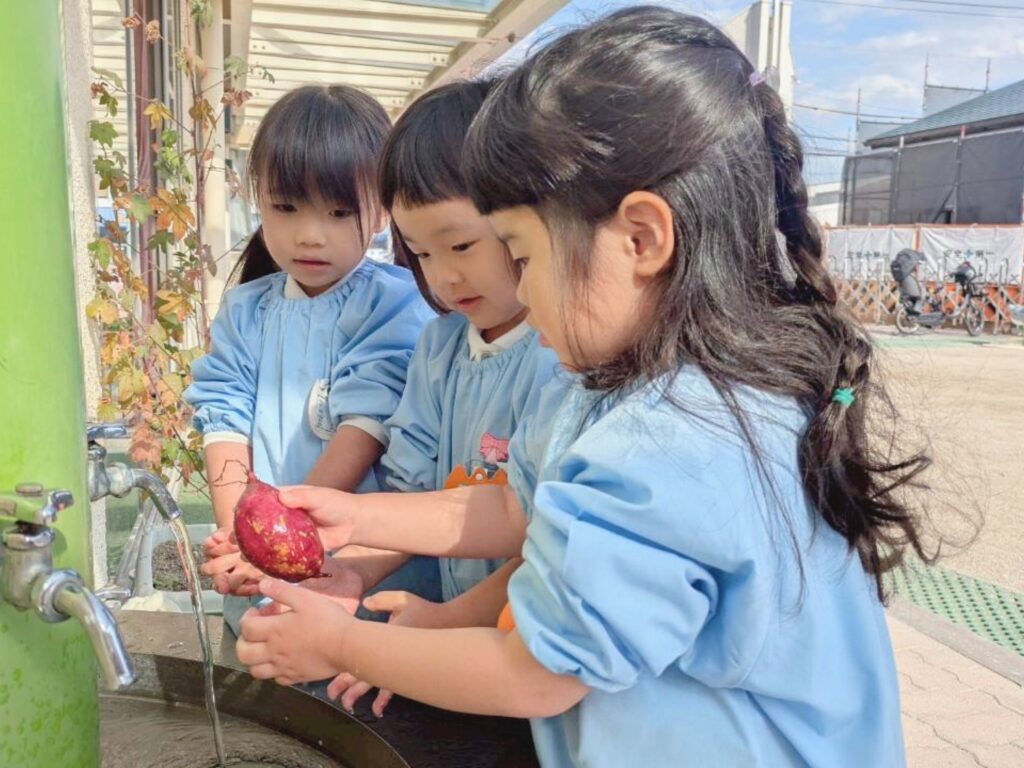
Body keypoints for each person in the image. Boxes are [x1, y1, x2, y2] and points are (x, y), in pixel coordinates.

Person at [235, 9, 931, 766]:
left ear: (641, 238)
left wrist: (341, 643)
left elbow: (531, 674)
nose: (521, 290)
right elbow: (516, 508)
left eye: (523, 255)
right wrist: (358, 515)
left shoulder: (677, 440)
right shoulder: (619, 389)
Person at [324, 79, 561, 716]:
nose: (444, 275)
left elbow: (544, 542)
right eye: (422, 253)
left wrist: (448, 622)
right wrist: (353, 571)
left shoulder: (560, 358)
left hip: (528, 651)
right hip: (452, 643)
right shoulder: (440, 345)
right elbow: (410, 492)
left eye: (461, 245)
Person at [184, 84, 433, 634]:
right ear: (259, 198)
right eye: (286, 208)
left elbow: (363, 427)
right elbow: (224, 421)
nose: (310, 235)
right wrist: (242, 537)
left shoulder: (394, 302)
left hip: (360, 571)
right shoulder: (246, 309)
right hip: (263, 565)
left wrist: (274, 536)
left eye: (339, 212)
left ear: (381, 211)